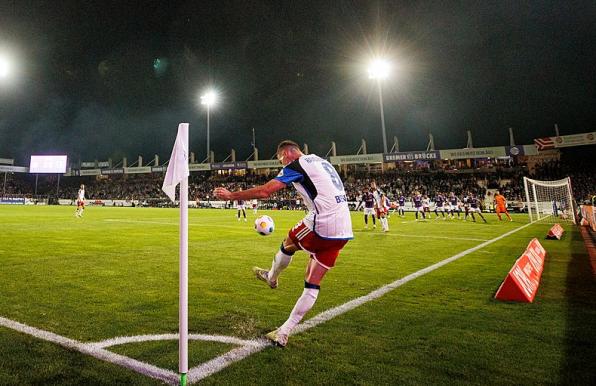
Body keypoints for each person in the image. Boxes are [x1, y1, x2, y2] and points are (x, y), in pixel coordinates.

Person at [213, 140, 353, 347]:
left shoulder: (295, 165)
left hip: (322, 223)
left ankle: (271, 277)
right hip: (344, 229)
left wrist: (231, 195)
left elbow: (265, 192)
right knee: (312, 283)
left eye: (280, 159)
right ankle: (283, 332)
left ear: (287, 153)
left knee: (288, 243)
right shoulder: (322, 162)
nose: (281, 164)